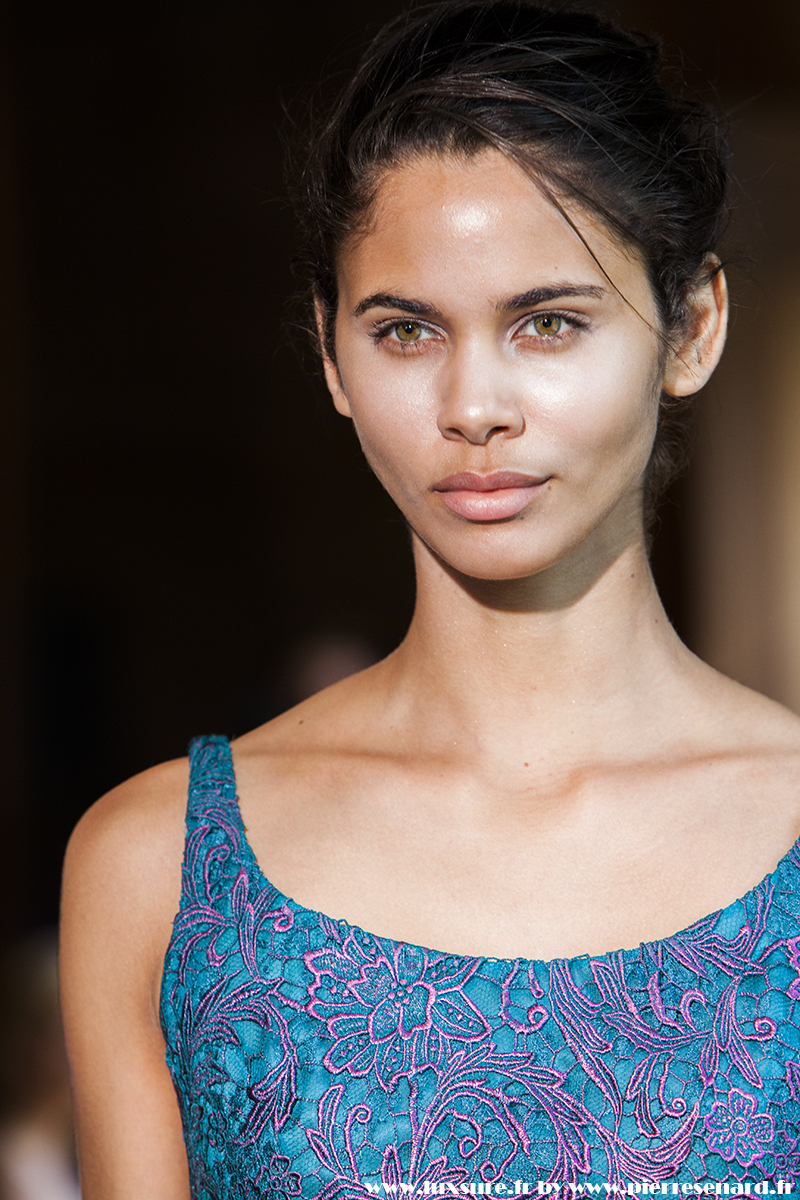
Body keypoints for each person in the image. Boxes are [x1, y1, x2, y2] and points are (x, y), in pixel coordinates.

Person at [59, 2, 800, 1196]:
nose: (473, 407)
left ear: (690, 328)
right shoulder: (159, 868)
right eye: (406, 331)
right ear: (329, 354)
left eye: (547, 323)